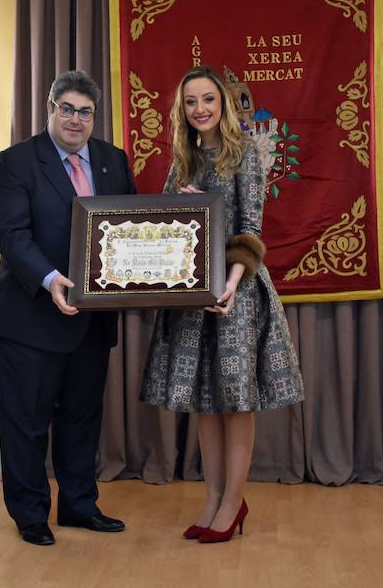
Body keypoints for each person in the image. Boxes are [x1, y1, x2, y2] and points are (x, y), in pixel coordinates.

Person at [141, 66, 304, 543]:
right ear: (182, 109)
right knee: (205, 405)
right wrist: (186, 204)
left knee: (236, 403)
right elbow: (166, 224)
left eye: (208, 99)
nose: (200, 109)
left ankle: (233, 502)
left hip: (236, 293)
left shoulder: (246, 153)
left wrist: (231, 283)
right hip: (193, 298)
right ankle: (212, 499)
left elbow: (251, 227)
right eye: (191, 102)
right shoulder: (183, 160)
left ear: (224, 102)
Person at [0, 70, 137, 546]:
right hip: (30, 315)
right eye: (66, 108)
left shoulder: (113, 160)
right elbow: (12, 235)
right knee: (26, 423)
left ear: (95, 117)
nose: (75, 119)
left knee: (81, 418)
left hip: (91, 320)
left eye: (85, 112)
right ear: (50, 108)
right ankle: (30, 514)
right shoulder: (16, 162)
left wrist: (183, 208)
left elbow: (132, 226)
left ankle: (78, 506)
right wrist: (51, 280)